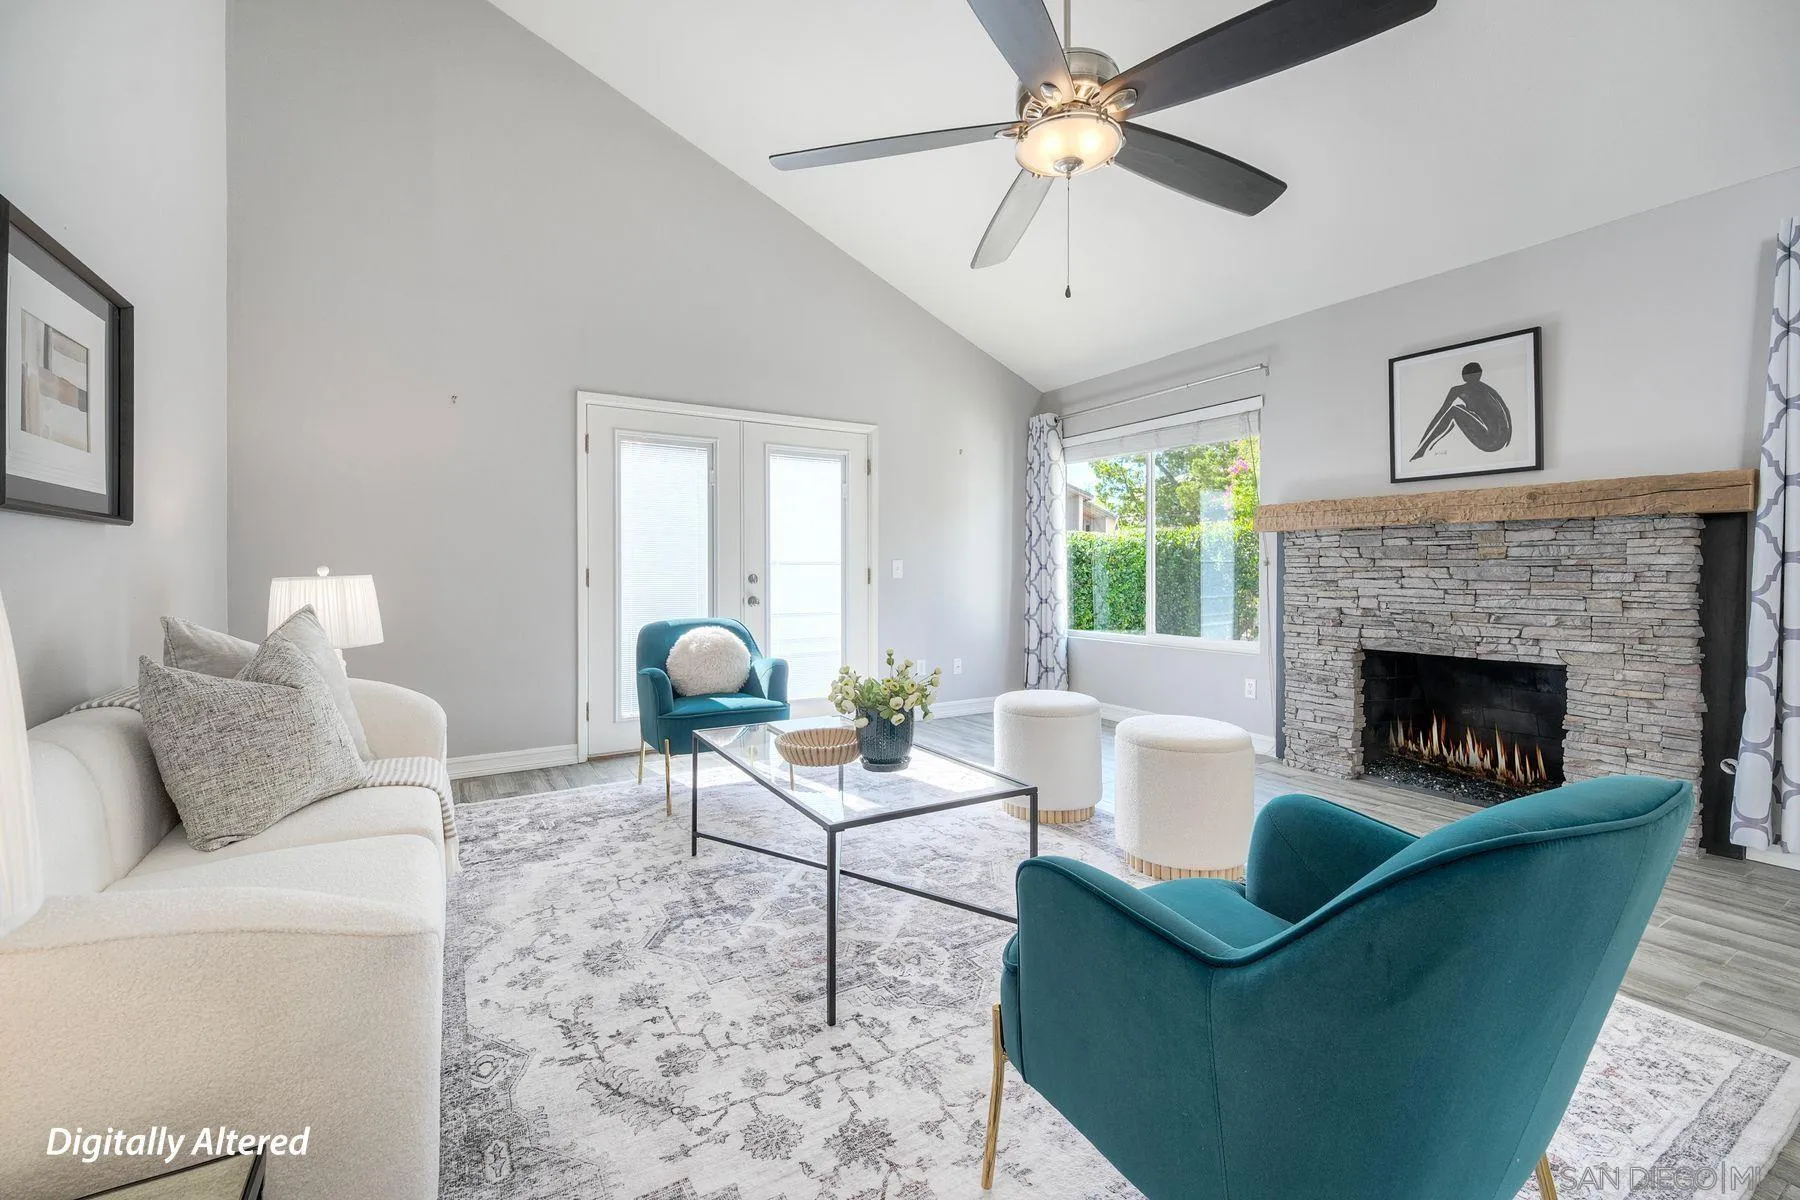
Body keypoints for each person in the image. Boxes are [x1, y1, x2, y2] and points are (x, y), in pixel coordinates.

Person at [1410, 362, 1513, 460]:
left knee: (1454, 410)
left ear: (1464, 376)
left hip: (1489, 441)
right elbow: (1505, 410)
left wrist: (1423, 442)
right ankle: (1423, 448)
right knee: (1460, 408)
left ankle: (1422, 450)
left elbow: (1441, 414)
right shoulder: (1487, 388)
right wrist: (1508, 438)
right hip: (1501, 440)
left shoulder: (1458, 390)